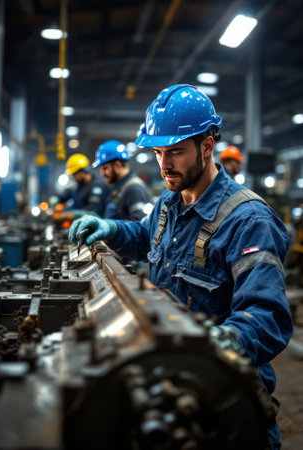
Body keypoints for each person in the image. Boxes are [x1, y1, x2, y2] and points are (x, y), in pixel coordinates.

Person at [69, 84, 292, 449]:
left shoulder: (248, 221)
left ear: (207, 146)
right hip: (170, 388)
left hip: (222, 404)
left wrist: (226, 339)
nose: (164, 165)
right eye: (158, 152)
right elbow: (145, 236)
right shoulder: (168, 203)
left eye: (175, 152)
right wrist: (111, 228)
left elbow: (267, 315)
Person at [92, 140, 150, 221]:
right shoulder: (118, 186)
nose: (102, 174)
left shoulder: (134, 188)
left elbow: (139, 224)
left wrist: (113, 228)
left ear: (117, 165)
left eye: (105, 168)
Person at [53, 153, 110, 221]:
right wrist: (56, 199)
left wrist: (72, 214)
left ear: (83, 172)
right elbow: (67, 195)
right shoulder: (80, 186)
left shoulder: (97, 187)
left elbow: (93, 209)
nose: (73, 177)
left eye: (74, 174)